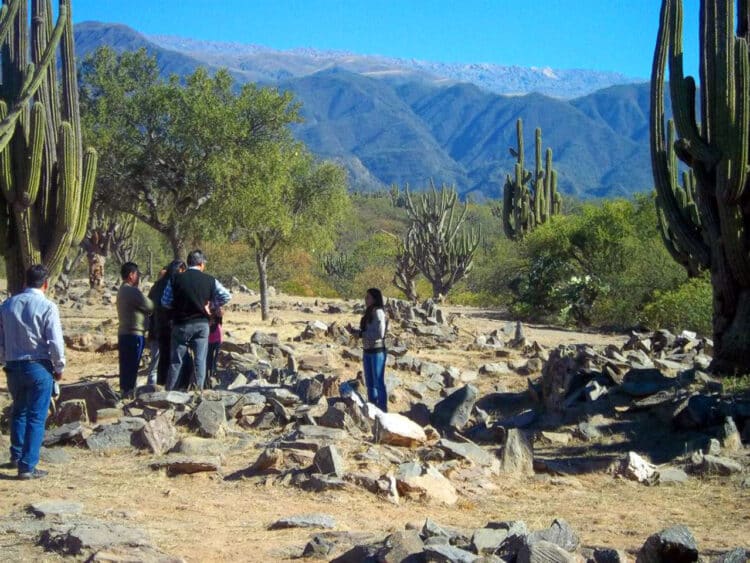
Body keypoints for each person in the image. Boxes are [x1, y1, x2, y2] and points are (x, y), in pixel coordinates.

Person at [0, 265, 65, 480]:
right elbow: (55, 341)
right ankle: (27, 466)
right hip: (38, 365)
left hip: (13, 365)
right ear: (45, 283)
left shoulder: (7, 305)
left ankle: (16, 455)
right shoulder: (47, 306)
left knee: (19, 411)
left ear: (25, 282)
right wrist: (59, 367)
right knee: (37, 417)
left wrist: (4, 359)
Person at [162, 250, 231, 391]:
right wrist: (212, 306)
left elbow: (165, 301)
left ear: (188, 263)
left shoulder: (175, 279)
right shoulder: (210, 280)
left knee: (176, 360)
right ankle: (197, 392)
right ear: (201, 263)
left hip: (180, 324)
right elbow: (226, 296)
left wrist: (177, 306)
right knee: (200, 360)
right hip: (201, 324)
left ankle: (171, 393)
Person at [346, 288, 388, 412]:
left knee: (378, 382)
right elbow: (365, 332)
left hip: (377, 351)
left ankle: (382, 410)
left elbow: (380, 333)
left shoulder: (379, 312)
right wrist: (353, 331)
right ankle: (372, 408)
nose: (366, 299)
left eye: (368, 297)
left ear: (375, 299)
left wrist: (361, 335)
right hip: (367, 351)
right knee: (369, 383)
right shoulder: (369, 312)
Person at [117, 262, 153, 397]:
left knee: (125, 366)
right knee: (132, 366)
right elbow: (149, 305)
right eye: (137, 275)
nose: (138, 278)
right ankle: (129, 393)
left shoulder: (122, 289)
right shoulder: (131, 291)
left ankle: (124, 391)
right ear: (131, 275)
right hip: (134, 333)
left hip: (124, 332)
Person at [145, 267, 168, 385]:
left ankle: (152, 384)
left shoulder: (153, 290)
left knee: (156, 359)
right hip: (161, 331)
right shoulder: (167, 290)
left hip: (155, 331)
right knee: (157, 360)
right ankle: (153, 385)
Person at [205, 304, 223, 389]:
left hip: (215, 338)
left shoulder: (216, 308)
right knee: (209, 360)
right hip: (209, 338)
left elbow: (220, 316)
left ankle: (211, 378)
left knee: (213, 360)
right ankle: (208, 379)